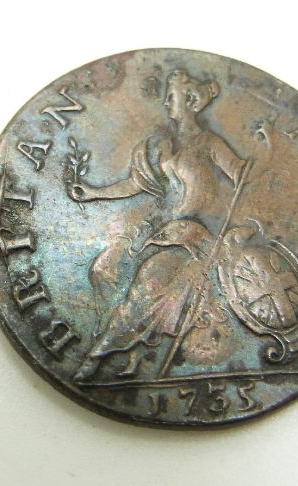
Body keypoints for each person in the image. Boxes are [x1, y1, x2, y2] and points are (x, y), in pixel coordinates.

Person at [68, 70, 247, 380]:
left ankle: (99, 354)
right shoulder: (161, 144)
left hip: (195, 237)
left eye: (172, 96)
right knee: (103, 269)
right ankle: (126, 349)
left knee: (150, 282)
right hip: (160, 230)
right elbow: (135, 184)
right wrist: (94, 193)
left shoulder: (211, 144)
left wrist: (263, 162)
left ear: (190, 100)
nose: (165, 102)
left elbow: (243, 179)